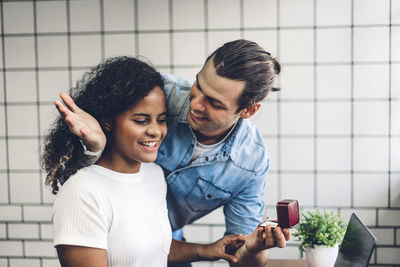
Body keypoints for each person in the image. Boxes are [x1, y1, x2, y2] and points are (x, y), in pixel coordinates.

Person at [55, 39, 291, 266]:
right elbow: (82, 172)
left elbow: (241, 255)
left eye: (215, 103)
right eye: (198, 85)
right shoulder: (156, 93)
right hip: (111, 237)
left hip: (166, 243)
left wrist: (252, 247)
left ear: (248, 110)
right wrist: (94, 146)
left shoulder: (250, 163)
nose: (196, 104)